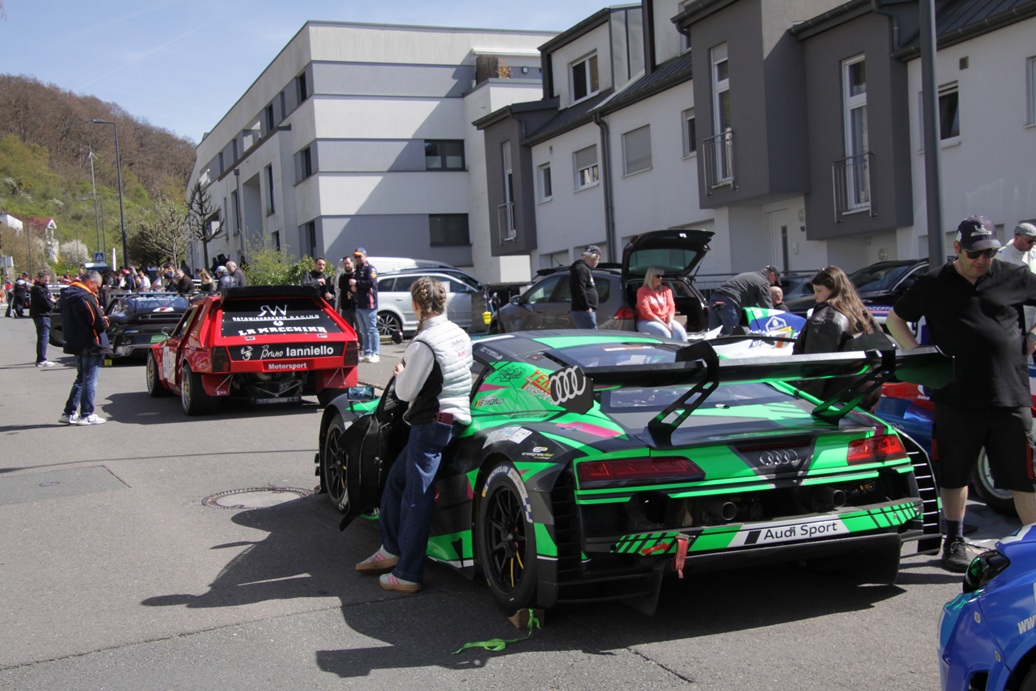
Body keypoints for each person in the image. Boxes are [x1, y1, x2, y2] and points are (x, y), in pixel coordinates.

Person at [886, 215, 1036, 573]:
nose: (982, 260)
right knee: (955, 475)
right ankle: (953, 541)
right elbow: (895, 319)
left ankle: (1032, 547)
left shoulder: (1013, 275)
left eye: (989, 253)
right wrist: (920, 356)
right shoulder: (934, 282)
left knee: (1024, 477)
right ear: (957, 248)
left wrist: (1033, 336)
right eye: (975, 253)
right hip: (956, 397)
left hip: (1009, 394)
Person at [355, 276, 472, 593]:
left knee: (416, 497)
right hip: (455, 419)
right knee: (397, 481)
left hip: (431, 423)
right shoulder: (459, 333)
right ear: (443, 302)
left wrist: (401, 373)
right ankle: (390, 549)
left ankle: (408, 572)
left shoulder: (424, 344)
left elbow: (405, 393)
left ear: (416, 305)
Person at [793, 265, 886, 402]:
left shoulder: (827, 318)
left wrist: (806, 400)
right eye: (814, 291)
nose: (815, 296)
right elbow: (880, 347)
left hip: (840, 392)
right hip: (868, 386)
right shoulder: (860, 311)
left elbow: (818, 366)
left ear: (834, 289)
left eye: (819, 290)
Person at [58, 270, 109, 426]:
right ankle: (86, 414)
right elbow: (98, 321)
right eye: (97, 287)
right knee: (90, 380)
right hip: (91, 343)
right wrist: (106, 321)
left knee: (81, 378)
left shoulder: (67, 295)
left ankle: (69, 412)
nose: (97, 290)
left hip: (76, 341)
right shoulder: (85, 297)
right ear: (90, 282)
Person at [708, 265, 781, 334]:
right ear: (771, 275)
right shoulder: (763, 282)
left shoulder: (751, 276)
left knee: (713, 335)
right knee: (733, 335)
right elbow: (767, 306)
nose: (772, 283)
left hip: (714, 299)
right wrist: (776, 321)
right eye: (774, 280)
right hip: (728, 301)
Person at [998, 222, 1036, 332]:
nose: (1033, 244)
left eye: (1034, 240)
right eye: (1029, 241)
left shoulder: (1034, 253)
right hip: (1013, 319)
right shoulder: (1001, 257)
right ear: (1017, 237)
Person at [636, 267, 687, 341]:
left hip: (666, 320)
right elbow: (646, 312)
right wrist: (664, 324)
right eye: (658, 276)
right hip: (647, 321)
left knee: (681, 333)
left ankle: (682, 348)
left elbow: (671, 307)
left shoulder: (666, 290)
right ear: (651, 277)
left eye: (661, 276)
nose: (661, 278)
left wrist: (669, 322)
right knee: (664, 333)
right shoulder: (642, 291)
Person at [350, 248, 380, 363]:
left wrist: (356, 283)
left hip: (369, 304)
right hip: (359, 304)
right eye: (356, 257)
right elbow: (354, 285)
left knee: (372, 330)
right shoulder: (357, 270)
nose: (357, 258)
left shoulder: (370, 268)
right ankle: (367, 353)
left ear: (365, 256)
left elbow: (371, 283)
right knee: (363, 331)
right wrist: (352, 288)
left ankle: (375, 353)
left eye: (360, 256)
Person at [570, 245, 601, 329]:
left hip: (585, 311)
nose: (598, 261)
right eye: (599, 259)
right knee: (591, 335)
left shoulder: (584, 268)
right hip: (583, 311)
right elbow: (580, 289)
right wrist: (587, 308)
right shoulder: (581, 268)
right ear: (596, 256)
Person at [29, 270, 56, 368]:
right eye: (45, 279)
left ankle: (41, 359)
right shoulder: (38, 289)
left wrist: (51, 299)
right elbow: (47, 303)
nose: (47, 281)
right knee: (43, 337)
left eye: (48, 279)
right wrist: (52, 301)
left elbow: (50, 299)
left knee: (43, 337)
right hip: (41, 315)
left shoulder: (44, 288)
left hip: (43, 314)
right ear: (39, 278)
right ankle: (41, 360)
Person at [337, 255, 362, 353]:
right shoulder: (342, 277)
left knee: (359, 329)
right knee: (347, 329)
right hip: (345, 307)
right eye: (345, 264)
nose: (346, 265)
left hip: (356, 306)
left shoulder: (357, 275)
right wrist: (338, 307)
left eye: (348, 263)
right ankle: (350, 349)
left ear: (352, 263)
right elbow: (340, 293)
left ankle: (363, 348)